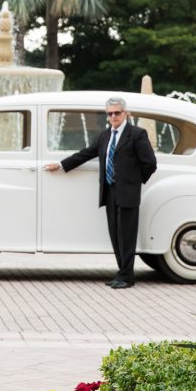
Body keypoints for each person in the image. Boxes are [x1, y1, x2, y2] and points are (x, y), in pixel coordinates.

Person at [44, 95, 156, 289]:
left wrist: (134, 182)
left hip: (128, 193)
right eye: (110, 114)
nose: (113, 116)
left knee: (127, 236)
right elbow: (86, 153)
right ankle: (121, 273)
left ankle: (127, 277)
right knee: (115, 235)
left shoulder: (137, 134)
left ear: (125, 113)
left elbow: (150, 164)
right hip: (109, 192)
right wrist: (62, 165)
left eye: (117, 113)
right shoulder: (106, 136)